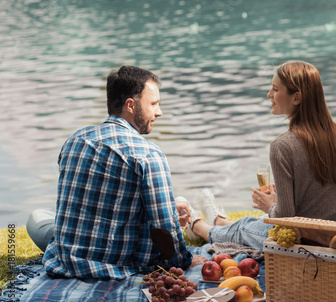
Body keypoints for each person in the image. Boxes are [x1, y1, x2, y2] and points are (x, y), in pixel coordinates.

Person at [28, 65, 207, 279]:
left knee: (36, 217)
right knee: (169, 211)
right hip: (117, 262)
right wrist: (184, 261)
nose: (159, 112)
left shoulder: (75, 140)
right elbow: (164, 228)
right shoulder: (148, 154)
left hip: (68, 257)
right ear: (130, 105)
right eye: (154, 104)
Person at [184, 60, 336, 249]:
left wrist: (270, 205)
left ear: (296, 98)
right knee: (256, 222)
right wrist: (281, 200)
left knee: (245, 228)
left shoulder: (282, 146)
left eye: (275, 89)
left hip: (303, 242)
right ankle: (218, 220)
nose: (269, 95)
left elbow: (285, 219)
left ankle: (198, 227)